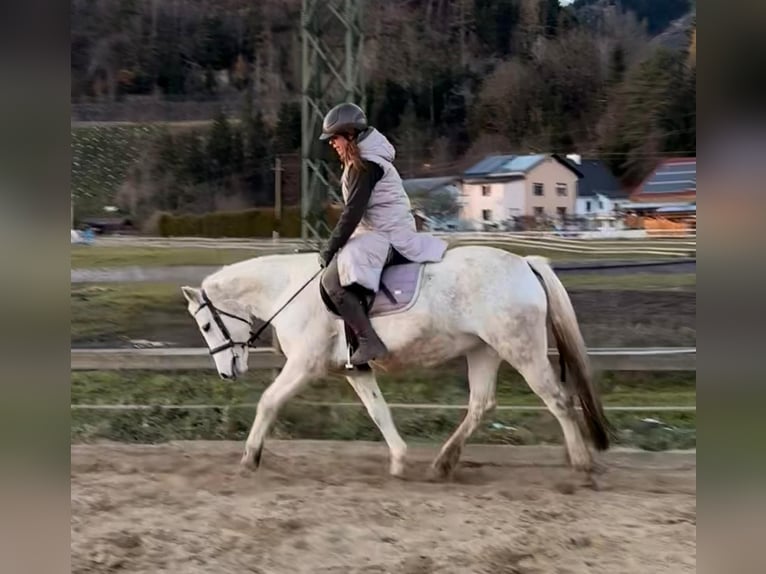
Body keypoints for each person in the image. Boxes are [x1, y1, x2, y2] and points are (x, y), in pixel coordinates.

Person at [317, 102, 448, 365]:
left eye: (335, 138)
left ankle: (369, 341)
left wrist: (330, 248)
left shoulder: (364, 165)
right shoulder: (367, 160)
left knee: (332, 281)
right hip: (385, 231)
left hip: (387, 236)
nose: (333, 144)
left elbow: (352, 214)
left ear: (350, 135)